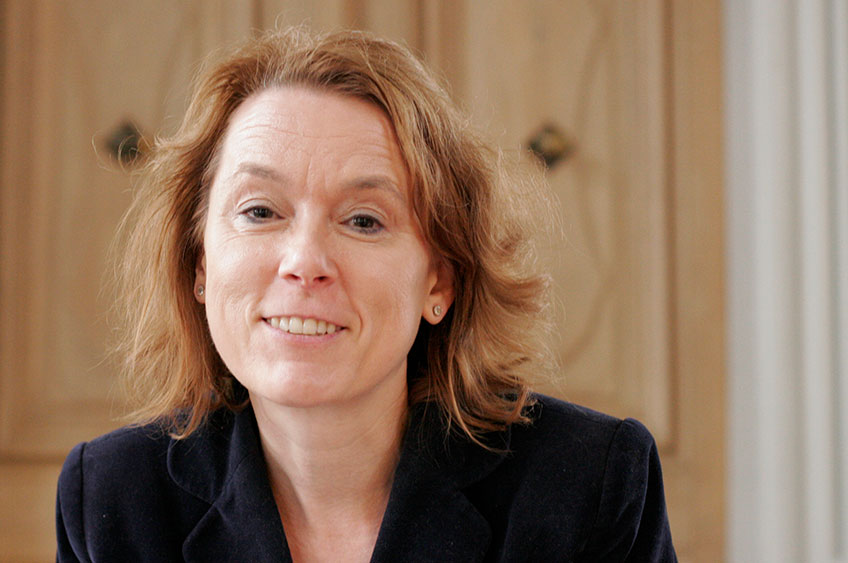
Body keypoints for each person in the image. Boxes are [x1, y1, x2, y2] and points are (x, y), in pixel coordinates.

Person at [56, 27, 676, 562]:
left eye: (363, 221)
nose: (304, 262)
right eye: (260, 211)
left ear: (439, 280)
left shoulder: (590, 487)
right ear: (200, 264)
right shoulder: (113, 499)